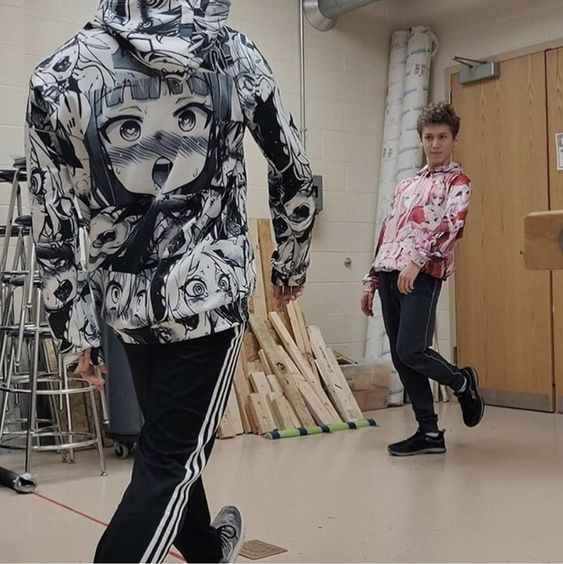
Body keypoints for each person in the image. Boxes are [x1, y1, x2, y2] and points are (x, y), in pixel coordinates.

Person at [25, 1, 315, 562]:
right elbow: (293, 171)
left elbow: (51, 217)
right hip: (210, 297)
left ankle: (206, 549)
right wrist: (291, 262)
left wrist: (74, 328)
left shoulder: (57, 74)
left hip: (127, 303)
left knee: (167, 441)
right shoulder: (232, 52)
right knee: (171, 461)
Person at [361, 101, 484, 457]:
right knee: (403, 360)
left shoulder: (458, 182)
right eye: (429, 137)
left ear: (454, 140)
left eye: (442, 137)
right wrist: (371, 280)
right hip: (389, 274)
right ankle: (429, 433)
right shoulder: (406, 184)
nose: (435, 143)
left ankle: (462, 382)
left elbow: (452, 226)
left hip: (423, 274)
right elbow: (388, 231)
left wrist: (417, 262)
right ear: (421, 140)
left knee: (411, 349)